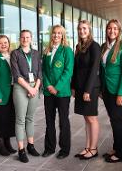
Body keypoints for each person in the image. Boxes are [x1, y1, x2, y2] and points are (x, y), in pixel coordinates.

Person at [100, 19, 122, 163]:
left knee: (117, 120)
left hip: (120, 90)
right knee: (113, 120)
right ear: (106, 30)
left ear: (119, 31)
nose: (112, 31)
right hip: (107, 90)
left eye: (115, 29)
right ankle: (116, 147)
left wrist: (121, 93)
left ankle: (121, 153)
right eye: (109, 28)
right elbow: (102, 69)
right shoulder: (104, 47)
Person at [42, 25, 74, 159]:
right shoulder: (47, 50)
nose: (56, 35)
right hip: (49, 92)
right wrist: (48, 85)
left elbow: (68, 71)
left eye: (59, 33)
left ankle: (64, 149)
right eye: (54, 33)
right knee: (49, 120)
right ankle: (49, 147)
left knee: (63, 121)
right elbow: (43, 70)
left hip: (62, 92)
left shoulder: (67, 50)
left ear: (63, 35)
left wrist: (57, 87)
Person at [11, 29, 42, 163]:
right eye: (23, 37)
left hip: (34, 88)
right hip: (21, 88)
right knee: (20, 119)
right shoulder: (15, 53)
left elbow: (40, 73)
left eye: (27, 37)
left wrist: (35, 88)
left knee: (30, 118)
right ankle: (21, 150)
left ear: (31, 38)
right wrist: (29, 88)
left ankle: (31, 145)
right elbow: (16, 75)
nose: (25, 39)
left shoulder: (36, 53)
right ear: (20, 39)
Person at [71, 20, 101, 160]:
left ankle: (93, 149)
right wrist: (73, 87)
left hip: (90, 88)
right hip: (80, 87)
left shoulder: (95, 46)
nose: (82, 31)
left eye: (84, 28)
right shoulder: (79, 46)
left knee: (91, 118)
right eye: (79, 28)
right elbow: (76, 69)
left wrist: (87, 90)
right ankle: (87, 147)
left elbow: (94, 69)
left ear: (89, 30)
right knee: (86, 118)